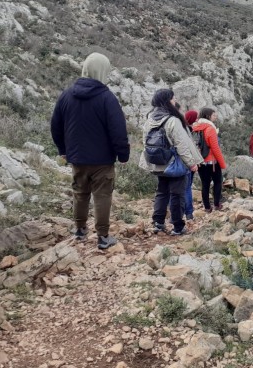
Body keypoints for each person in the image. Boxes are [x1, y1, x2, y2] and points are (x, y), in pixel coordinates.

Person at [50, 52, 130, 250]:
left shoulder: (67, 95)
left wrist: (63, 149)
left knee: (80, 193)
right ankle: (102, 237)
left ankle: (79, 230)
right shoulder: (107, 98)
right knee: (102, 196)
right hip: (102, 160)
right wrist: (123, 154)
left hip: (77, 158)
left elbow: (55, 126)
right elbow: (118, 130)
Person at [140, 89, 203, 235]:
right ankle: (178, 226)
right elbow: (182, 145)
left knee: (162, 192)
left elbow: (145, 142)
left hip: (158, 163)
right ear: (168, 101)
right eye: (173, 99)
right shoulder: (172, 120)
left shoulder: (150, 119)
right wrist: (192, 164)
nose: (175, 101)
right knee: (177, 194)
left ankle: (158, 222)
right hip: (174, 164)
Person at [192, 107, 227, 212]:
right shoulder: (210, 128)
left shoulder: (196, 127)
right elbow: (215, 148)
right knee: (217, 182)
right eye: (213, 115)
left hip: (200, 161)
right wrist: (222, 164)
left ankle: (207, 207)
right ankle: (216, 204)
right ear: (208, 116)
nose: (215, 116)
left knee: (205, 184)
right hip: (212, 162)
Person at [183, 109, 199, 221]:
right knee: (187, 187)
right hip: (189, 162)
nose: (197, 119)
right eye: (196, 118)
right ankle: (189, 213)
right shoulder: (190, 131)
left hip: (185, 162)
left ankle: (175, 212)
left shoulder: (184, 129)